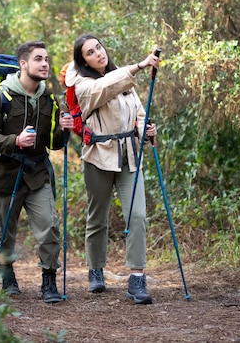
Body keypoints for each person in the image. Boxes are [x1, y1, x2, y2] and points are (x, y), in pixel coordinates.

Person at [66, 34, 160, 305]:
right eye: (90, 52)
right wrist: (139, 66)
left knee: (138, 215)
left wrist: (146, 129)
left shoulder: (122, 79)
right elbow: (106, 87)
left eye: (99, 47)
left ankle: (136, 278)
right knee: (97, 217)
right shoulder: (83, 84)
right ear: (82, 60)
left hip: (129, 154)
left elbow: (139, 115)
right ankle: (96, 269)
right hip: (98, 156)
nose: (98, 53)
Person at [0, 40, 74, 303]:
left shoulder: (48, 99)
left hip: (37, 174)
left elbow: (54, 144)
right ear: (23, 64)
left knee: (49, 228)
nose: (45, 64)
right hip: (4, 176)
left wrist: (64, 129)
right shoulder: (0, 96)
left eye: (46, 59)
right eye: (38, 59)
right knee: (3, 232)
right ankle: (7, 278)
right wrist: (16, 142)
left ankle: (49, 281)